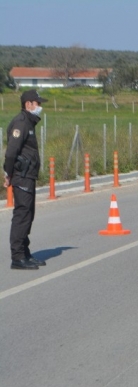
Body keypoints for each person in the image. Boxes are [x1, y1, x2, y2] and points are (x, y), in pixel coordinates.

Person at [4, 89, 47, 270]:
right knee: (22, 215)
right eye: (37, 103)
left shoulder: (29, 123)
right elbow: (12, 151)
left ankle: (25, 252)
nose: (40, 107)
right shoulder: (21, 123)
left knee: (28, 215)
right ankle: (17, 257)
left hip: (28, 175)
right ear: (28, 104)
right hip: (22, 176)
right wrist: (8, 173)